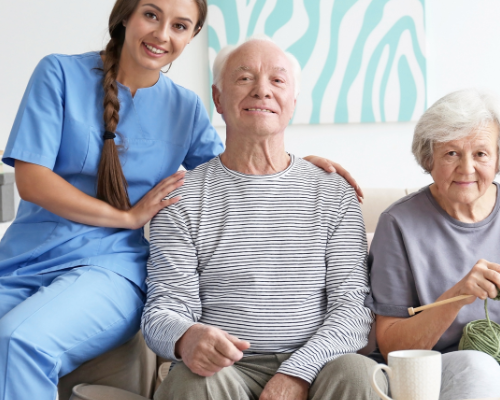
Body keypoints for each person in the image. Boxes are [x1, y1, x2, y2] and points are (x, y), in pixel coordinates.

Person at [0, 1, 359, 399]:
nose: (162, 34)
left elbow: (241, 165)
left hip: (108, 265)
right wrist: (127, 217)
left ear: (191, 37)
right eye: (151, 15)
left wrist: (300, 166)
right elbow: (32, 181)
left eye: (180, 26)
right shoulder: (58, 73)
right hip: (27, 258)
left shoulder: (185, 108)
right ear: (125, 16)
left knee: (15, 343)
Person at [142, 36, 383, 400]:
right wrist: (187, 337)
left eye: (277, 80)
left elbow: (353, 310)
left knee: (359, 373)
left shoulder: (333, 193)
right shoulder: (181, 198)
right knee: (193, 382)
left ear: (292, 104)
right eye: (244, 78)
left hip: (317, 365)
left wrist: (297, 373)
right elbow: (164, 310)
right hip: (223, 369)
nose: (262, 91)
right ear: (218, 99)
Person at [366, 89, 500, 400]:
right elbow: (390, 345)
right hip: (443, 364)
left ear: (499, 159)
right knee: (478, 365)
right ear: (429, 159)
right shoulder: (399, 223)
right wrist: (457, 296)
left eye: (481, 154)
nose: (466, 168)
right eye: (451, 153)